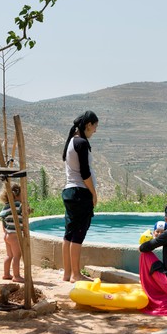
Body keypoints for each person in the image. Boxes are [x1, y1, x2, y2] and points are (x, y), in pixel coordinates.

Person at [61, 110, 99, 282]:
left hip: (69, 192)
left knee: (69, 233)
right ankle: (76, 275)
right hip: (80, 193)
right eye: (95, 127)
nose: (95, 131)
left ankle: (67, 273)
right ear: (88, 125)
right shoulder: (81, 142)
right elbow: (85, 173)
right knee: (78, 234)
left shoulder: (71, 141)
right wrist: (93, 193)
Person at [0, 183, 25, 283]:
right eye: (23, 194)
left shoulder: (6, 206)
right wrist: (28, 210)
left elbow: (2, 219)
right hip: (14, 236)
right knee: (17, 256)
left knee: (9, 255)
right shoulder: (18, 205)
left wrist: (5, 230)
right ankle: (16, 276)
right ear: (16, 195)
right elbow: (25, 212)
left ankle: (6, 274)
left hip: (7, 235)